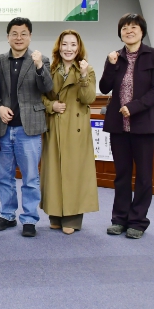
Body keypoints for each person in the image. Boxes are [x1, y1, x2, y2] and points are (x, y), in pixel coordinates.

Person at [99, 13, 154, 239]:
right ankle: (119, 219)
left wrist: (134, 107)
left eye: (133, 27)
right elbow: (105, 87)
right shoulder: (115, 57)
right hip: (119, 126)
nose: (129, 31)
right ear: (120, 33)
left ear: (142, 31)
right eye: (125, 28)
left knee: (144, 176)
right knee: (122, 175)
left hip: (143, 125)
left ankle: (138, 221)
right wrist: (110, 65)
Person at [0, 17, 52, 237]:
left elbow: (47, 87)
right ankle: (7, 215)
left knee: (30, 178)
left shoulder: (41, 60)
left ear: (30, 36)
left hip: (29, 129)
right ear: (8, 37)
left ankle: (29, 219)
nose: (18, 38)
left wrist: (39, 66)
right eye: (14, 34)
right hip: (4, 128)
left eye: (23, 34)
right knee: (3, 177)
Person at [40, 29, 99, 234]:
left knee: (75, 173)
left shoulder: (87, 69)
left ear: (79, 47)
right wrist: (51, 106)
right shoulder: (50, 69)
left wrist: (83, 75)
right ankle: (55, 215)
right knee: (54, 172)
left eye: (73, 44)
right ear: (59, 47)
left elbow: (89, 98)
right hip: (55, 126)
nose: (68, 49)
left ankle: (72, 219)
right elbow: (40, 97)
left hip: (76, 129)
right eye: (65, 44)